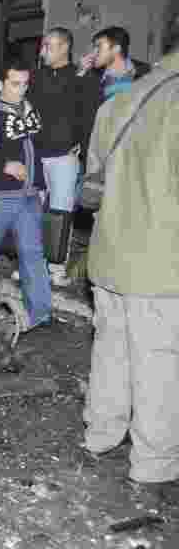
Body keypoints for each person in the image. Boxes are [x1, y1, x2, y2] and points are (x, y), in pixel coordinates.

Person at [80, 46, 179, 490]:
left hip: (109, 254)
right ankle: (154, 462)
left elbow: (92, 187)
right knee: (158, 360)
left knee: (112, 348)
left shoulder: (116, 103)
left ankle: (101, 433)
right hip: (160, 261)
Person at [0, 60, 53, 332]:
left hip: (30, 195)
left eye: (25, 84)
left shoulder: (31, 110)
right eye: (14, 84)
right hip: (1, 197)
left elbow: (37, 150)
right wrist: (3, 165)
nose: (21, 90)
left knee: (33, 255)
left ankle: (39, 315)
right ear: (0, 84)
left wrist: (41, 184)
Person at [28, 27, 100, 213]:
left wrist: (85, 154)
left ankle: (59, 243)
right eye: (42, 47)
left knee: (60, 216)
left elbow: (89, 117)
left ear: (64, 47)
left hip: (64, 158)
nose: (42, 52)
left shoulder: (83, 78)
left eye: (47, 46)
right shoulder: (36, 77)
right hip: (35, 156)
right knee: (31, 216)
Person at [80, 26, 152, 105]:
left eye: (98, 47)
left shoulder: (146, 72)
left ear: (116, 49)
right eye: (94, 47)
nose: (93, 53)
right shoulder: (91, 75)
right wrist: (81, 72)